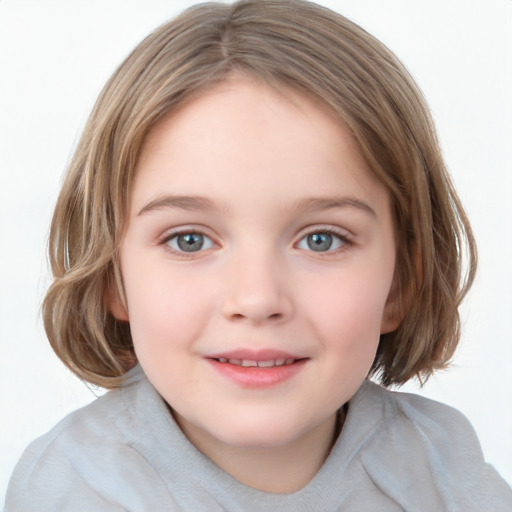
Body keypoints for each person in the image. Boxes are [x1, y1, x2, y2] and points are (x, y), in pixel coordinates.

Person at [4, 0, 512, 510]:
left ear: (401, 281)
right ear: (112, 274)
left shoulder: (442, 469)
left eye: (322, 239)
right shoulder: (75, 488)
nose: (257, 298)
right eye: (189, 240)